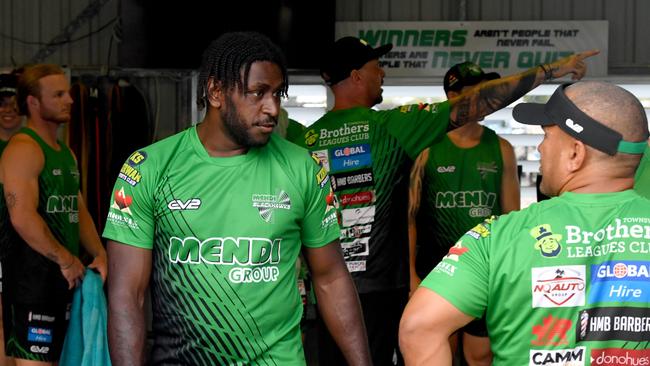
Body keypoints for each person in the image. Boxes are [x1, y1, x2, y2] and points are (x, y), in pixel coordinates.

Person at [289, 35, 597, 366]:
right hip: (378, 290)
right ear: (356, 76)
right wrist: (551, 70)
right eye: (376, 67)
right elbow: (480, 101)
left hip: (324, 293)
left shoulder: (304, 140)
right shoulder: (389, 127)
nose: (383, 75)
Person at [103, 31, 371, 365]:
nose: (272, 108)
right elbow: (127, 295)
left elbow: (331, 278)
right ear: (216, 92)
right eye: (258, 93)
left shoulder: (304, 169)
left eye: (277, 94)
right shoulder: (148, 170)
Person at [400, 81, 650, 365]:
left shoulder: (496, 237)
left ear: (575, 154)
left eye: (547, 136)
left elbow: (418, 328)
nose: (541, 148)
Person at [407, 62, 520, 366]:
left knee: (480, 356)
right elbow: (410, 218)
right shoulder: (427, 148)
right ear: (451, 95)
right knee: (439, 349)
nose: (485, 99)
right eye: (476, 92)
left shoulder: (502, 148)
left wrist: (510, 277)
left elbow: (512, 219)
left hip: (485, 269)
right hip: (435, 269)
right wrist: (411, 275)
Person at [0, 64, 108, 365]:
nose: (70, 100)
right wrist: (66, 258)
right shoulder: (23, 149)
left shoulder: (65, 151)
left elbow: (77, 208)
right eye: (58, 94)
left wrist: (98, 251)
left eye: (68, 93)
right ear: (33, 102)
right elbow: (21, 215)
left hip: (61, 283)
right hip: (30, 286)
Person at [0, 72, 21, 366]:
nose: (8, 109)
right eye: (2, 103)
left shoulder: (30, 147)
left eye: (14, 104)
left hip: (26, 250)